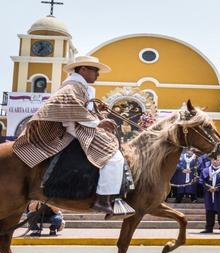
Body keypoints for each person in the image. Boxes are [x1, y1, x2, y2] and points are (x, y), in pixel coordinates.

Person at [12, 56, 133, 218]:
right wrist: (98, 123)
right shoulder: (73, 87)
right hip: (70, 131)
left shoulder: (79, 87)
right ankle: (103, 200)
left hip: (78, 128)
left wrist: (98, 114)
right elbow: (70, 110)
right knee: (114, 157)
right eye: (95, 71)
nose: (98, 75)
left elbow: (79, 111)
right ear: (83, 70)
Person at [199, 156, 220, 234]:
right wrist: (209, 187)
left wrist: (217, 188)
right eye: (213, 159)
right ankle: (209, 228)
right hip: (209, 193)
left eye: (217, 160)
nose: (215, 161)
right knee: (209, 211)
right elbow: (201, 181)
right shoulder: (206, 170)